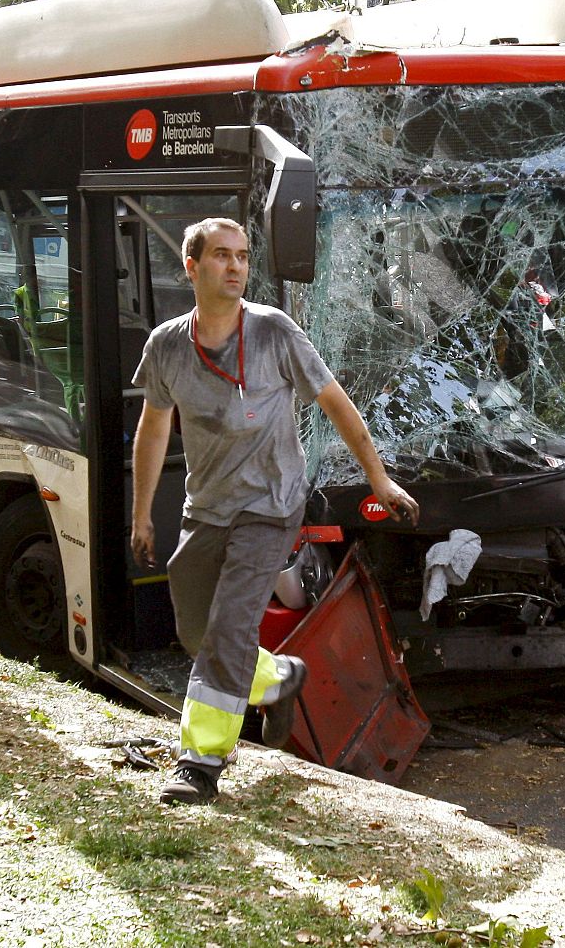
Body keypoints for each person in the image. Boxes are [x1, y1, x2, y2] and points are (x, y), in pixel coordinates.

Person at [130, 217, 419, 807]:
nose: (235, 267)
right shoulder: (165, 346)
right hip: (205, 510)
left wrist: (380, 479)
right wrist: (141, 515)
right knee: (195, 631)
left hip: (270, 507)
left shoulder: (274, 332)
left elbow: (336, 404)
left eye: (241, 257)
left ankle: (200, 761)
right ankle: (280, 677)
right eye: (221, 256)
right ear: (192, 267)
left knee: (230, 628)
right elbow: (153, 429)